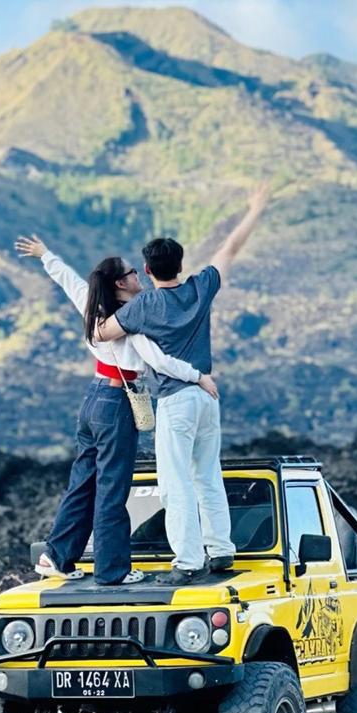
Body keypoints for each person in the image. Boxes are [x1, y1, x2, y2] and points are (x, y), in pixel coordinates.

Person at [15, 235, 219, 586]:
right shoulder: (130, 322)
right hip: (117, 406)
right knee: (112, 489)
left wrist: (46, 254)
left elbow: (69, 280)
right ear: (121, 283)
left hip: (92, 400)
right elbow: (161, 362)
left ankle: (57, 555)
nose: (139, 276)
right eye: (132, 274)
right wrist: (199, 376)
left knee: (83, 482)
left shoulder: (92, 305)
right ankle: (113, 571)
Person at [98, 184, 271, 585]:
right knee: (208, 476)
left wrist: (105, 298)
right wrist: (255, 208)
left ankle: (188, 560)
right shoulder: (200, 288)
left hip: (175, 401)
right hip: (207, 397)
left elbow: (104, 333)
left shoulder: (143, 307)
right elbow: (229, 248)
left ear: (146, 272)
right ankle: (222, 550)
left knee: (174, 483)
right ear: (179, 264)